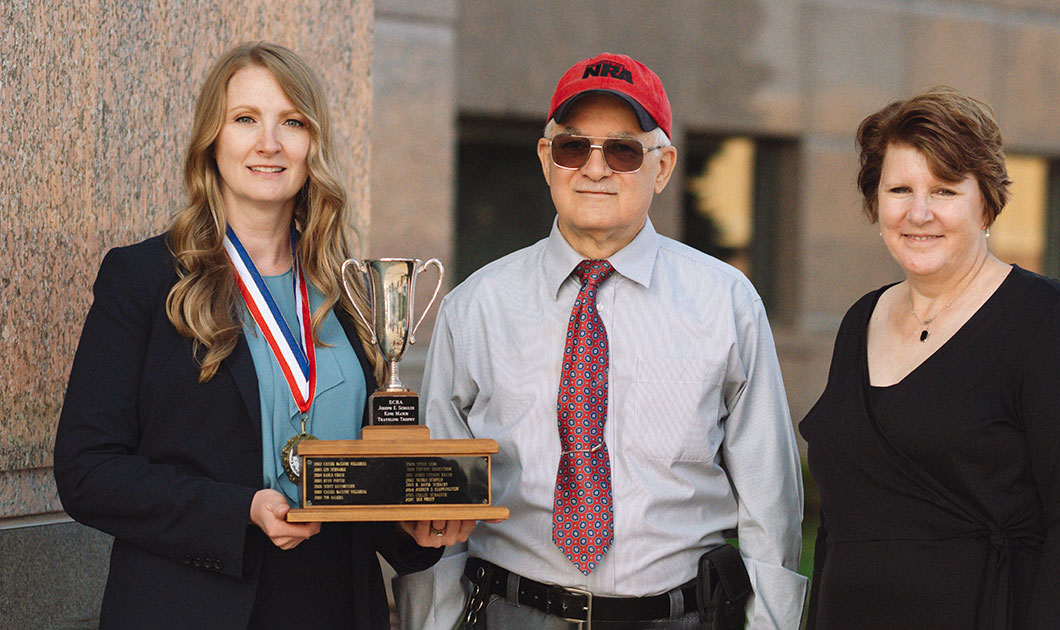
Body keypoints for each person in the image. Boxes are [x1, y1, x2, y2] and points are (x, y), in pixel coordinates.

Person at [395, 52, 807, 629]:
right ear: (546, 159)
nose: (594, 168)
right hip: (512, 614)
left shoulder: (727, 303)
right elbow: (439, 504)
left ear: (661, 167)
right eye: (572, 147)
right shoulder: (476, 307)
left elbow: (772, 508)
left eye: (622, 149)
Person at [53, 41, 455, 629]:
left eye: (291, 122)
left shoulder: (345, 292)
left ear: (312, 144)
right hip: (192, 608)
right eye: (246, 119)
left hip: (337, 607)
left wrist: (418, 529)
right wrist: (239, 509)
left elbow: (369, 490)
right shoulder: (142, 280)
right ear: (211, 139)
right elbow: (86, 471)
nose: (270, 143)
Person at [798, 88, 1060, 629]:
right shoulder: (861, 321)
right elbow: (840, 523)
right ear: (875, 201)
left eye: (945, 190)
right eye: (899, 188)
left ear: (986, 202)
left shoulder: (1046, 321)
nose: (918, 212)